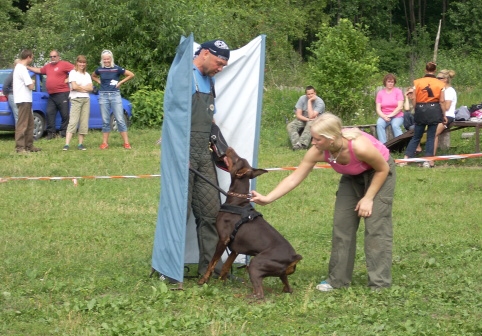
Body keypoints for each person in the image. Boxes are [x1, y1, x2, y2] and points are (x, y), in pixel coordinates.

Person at [251, 113, 396, 291]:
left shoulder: (359, 147)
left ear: (332, 139)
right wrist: (268, 198)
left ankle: (379, 284)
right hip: (352, 176)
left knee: (376, 228)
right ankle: (337, 281)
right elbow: (294, 177)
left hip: (378, 172)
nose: (313, 142)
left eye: (317, 139)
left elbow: (383, 169)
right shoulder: (319, 151)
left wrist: (368, 198)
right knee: (342, 225)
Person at [187, 40, 230, 277]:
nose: (220, 68)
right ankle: (168, 269)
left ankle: (211, 268)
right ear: (204, 53)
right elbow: (173, 120)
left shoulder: (210, 80)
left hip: (203, 154)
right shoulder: (184, 77)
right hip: (183, 154)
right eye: (219, 63)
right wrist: (178, 155)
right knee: (178, 213)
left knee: (211, 212)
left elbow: (209, 120)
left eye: (224, 65)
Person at [402, 62, 445, 168]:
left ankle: (406, 159)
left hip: (420, 109)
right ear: (435, 71)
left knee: (416, 136)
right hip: (434, 110)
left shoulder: (417, 83)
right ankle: (428, 161)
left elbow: (414, 99)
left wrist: (417, 108)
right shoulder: (440, 84)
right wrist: (443, 114)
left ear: (425, 70)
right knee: (431, 137)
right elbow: (442, 101)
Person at [91, 50, 134, 149]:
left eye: (108, 59)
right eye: (104, 59)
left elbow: (131, 74)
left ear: (111, 59)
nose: (106, 61)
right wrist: (99, 81)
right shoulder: (100, 69)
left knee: (119, 119)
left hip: (115, 95)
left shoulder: (116, 68)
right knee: (105, 120)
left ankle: (126, 143)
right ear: (102, 59)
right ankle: (105, 143)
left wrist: (120, 82)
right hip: (103, 96)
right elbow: (93, 76)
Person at [27, 50, 74, 139]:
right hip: (51, 95)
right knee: (49, 113)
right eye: (51, 56)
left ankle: (63, 133)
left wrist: (69, 78)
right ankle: (51, 133)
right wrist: (28, 67)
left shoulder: (64, 64)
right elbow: (39, 70)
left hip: (62, 93)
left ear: (58, 57)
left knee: (64, 114)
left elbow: (75, 70)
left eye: (54, 56)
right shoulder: (48, 66)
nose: (53, 58)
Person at [13, 49, 41, 153]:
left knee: (30, 124)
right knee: (22, 124)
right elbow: (30, 86)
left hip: (25, 100)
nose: (32, 59)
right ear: (28, 57)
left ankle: (29, 146)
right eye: (32, 57)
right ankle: (20, 148)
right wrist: (33, 82)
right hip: (23, 99)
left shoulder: (19, 68)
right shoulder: (22, 69)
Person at [63, 55, 93, 151]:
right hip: (76, 98)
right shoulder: (73, 72)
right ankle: (67, 144)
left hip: (86, 99)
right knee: (73, 121)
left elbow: (91, 88)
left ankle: (80, 144)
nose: (82, 64)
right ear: (77, 62)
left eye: (84, 62)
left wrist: (81, 88)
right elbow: (74, 86)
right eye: (80, 62)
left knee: (84, 122)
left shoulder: (87, 75)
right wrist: (84, 89)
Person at [287, 86, 325, 150]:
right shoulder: (302, 98)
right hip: (304, 119)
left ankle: (303, 144)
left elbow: (311, 116)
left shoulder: (320, 102)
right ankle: (296, 144)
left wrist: (309, 101)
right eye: (308, 94)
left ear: (315, 93)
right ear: (306, 94)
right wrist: (307, 119)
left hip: (316, 120)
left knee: (310, 124)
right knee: (290, 125)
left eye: (312, 93)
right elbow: (298, 115)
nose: (310, 95)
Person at [375, 73, 404, 144]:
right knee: (379, 124)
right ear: (385, 82)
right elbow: (378, 108)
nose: (391, 83)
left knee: (395, 125)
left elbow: (400, 107)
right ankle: (384, 145)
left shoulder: (398, 92)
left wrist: (390, 115)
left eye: (392, 82)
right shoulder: (380, 93)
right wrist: (384, 116)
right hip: (384, 116)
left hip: (397, 116)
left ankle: (400, 144)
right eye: (389, 82)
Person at [433, 69, 457, 155]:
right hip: (439, 115)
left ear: (445, 79)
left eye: (439, 78)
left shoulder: (450, 91)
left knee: (434, 134)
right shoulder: (441, 90)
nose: (437, 79)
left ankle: (431, 158)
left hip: (448, 116)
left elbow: (446, 107)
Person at [2, 59, 20, 125]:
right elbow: (5, 87)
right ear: (15, 65)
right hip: (13, 96)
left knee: (19, 115)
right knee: (18, 115)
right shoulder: (13, 74)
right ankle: (19, 134)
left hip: (18, 96)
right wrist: (9, 95)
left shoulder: (19, 74)